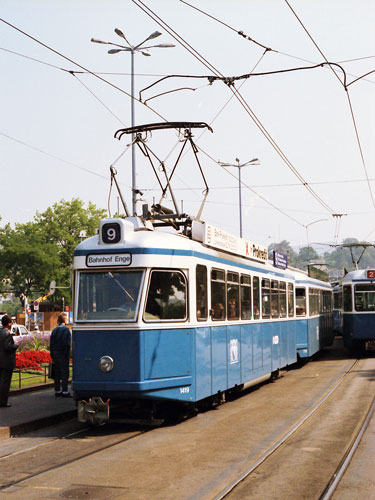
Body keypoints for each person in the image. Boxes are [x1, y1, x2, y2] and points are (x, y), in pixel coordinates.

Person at [50, 313, 71, 398]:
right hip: (63, 354)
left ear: (58, 321)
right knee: (64, 372)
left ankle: (57, 390)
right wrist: (68, 354)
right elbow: (67, 344)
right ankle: (65, 391)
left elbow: (51, 344)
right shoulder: (66, 330)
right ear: (65, 321)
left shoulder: (54, 330)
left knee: (57, 373)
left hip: (55, 353)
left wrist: (52, 354)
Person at [0, 315, 18, 408]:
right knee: (5, 383)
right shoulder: (7, 333)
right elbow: (8, 347)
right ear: (9, 323)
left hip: (1, 361)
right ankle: (3, 401)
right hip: (7, 361)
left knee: (1, 381)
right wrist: (15, 346)